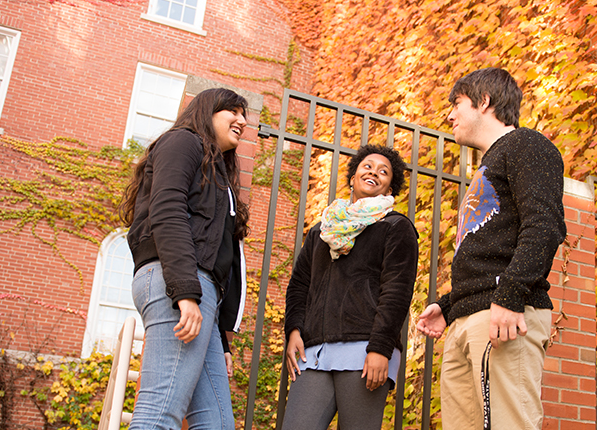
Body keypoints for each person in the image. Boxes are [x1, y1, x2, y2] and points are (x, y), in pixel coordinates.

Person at [416, 68, 566, 429]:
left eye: (457, 103)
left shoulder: (527, 145)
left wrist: (511, 295)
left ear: (483, 102)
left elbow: (543, 225)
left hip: (503, 317)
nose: (450, 115)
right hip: (470, 318)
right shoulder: (489, 164)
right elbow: (492, 249)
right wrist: (450, 304)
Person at [119, 88, 251, 429]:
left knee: (217, 423)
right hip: (177, 283)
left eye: (244, 115)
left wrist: (219, 338)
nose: (242, 121)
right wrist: (185, 292)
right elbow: (167, 211)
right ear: (207, 111)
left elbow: (219, 257)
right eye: (233, 112)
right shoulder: (183, 142)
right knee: (160, 411)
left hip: (197, 290)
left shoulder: (217, 171)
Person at [281, 145, 418, 430]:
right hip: (315, 352)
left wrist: (380, 349)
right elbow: (299, 285)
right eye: (368, 166)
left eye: (384, 171)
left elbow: (396, 293)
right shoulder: (321, 230)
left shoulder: (395, 227)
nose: (374, 172)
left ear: (389, 189)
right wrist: (294, 329)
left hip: (365, 351)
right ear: (353, 177)